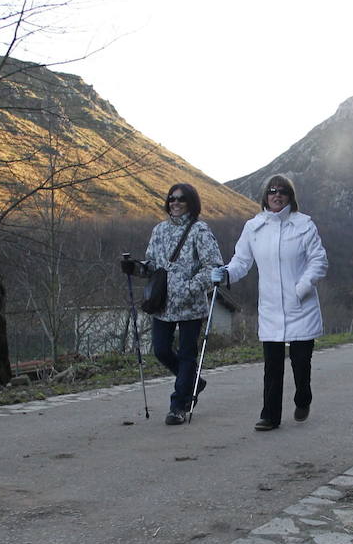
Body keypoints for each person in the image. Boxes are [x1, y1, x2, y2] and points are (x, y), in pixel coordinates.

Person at [213, 174, 328, 432]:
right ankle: (270, 415)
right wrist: (226, 273)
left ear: (290, 197)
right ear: (265, 196)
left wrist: (303, 287)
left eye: (283, 192)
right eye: (272, 191)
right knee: (272, 364)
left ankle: (303, 398)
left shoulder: (304, 225)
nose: (277, 195)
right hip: (271, 307)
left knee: (301, 363)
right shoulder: (254, 228)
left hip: (301, 305)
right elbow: (241, 261)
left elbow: (319, 261)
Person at [120, 183, 224, 425]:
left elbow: (213, 266)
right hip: (163, 303)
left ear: (191, 203)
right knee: (161, 350)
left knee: (187, 354)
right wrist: (135, 268)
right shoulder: (159, 230)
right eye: (171, 199)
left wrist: (190, 288)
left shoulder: (200, 231)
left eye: (181, 199)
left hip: (190, 305)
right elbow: (153, 265)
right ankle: (194, 381)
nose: (175, 203)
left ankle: (178, 406)